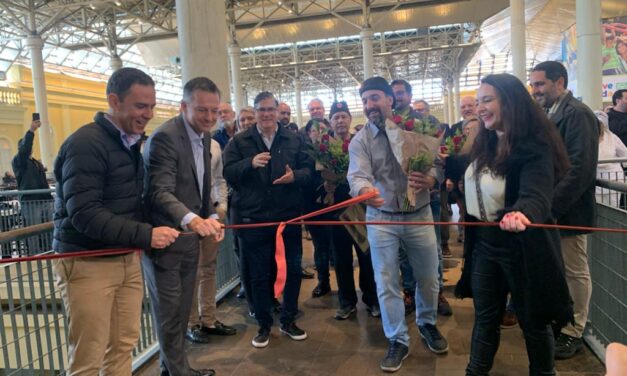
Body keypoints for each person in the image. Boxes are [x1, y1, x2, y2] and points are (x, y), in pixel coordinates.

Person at [52, 67, 180, 375]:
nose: (148, 113)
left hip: (125, 257)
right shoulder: (86, 144)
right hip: (86, 262)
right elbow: (84, 214)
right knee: (88, 357)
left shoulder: (130, 142)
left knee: (123, 346)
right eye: (140, 105)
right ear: (114, 101)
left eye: (151, 106)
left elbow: (129, 202)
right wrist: (146, 235)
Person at [456, 73, 573, 376]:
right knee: (485, 318)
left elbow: (537, 190)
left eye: (487, 100)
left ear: (509, 102)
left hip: (521, 248)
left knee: (534, 322)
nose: (480, 108)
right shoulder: (485, 141)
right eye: (478, 101)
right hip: (483, 246)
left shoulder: (535, 143)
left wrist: (523, 212)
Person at [348, 77, 448, 372]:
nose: (370, 106)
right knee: (386, 280)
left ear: (390, 99)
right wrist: (364, 191)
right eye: (365, 101)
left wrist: (431, 179)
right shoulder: (360, 140)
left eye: (375, 98)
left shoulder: (416, 128)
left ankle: (427, 323)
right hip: (381, 218)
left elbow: (437, 163)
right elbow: (357, 175)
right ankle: (397, 339)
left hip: (419, 213)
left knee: (429, 276)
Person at [142, 77, 225, 376]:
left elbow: (203, 185)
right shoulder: (165, 137)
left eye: (214, 111)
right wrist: (192, 219)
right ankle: (177, 372)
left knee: (180, 312)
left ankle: (176, 369)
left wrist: (212, 217)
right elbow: (159, 192)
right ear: (183, 106)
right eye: (202, 110)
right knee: (169, 316)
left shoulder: (205, 137)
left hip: (191, 240)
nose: (210, 117)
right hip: (165, 242)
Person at [223, 91, 313, 349]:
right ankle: (263, 323)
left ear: (277, 111)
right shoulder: (240, 142)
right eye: (261, 110)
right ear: (254, 112)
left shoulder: (294, 139)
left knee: (293, 271)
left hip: (288, 218)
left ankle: (288, 319)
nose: (266, 114)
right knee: (259, 275)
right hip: (254, 220)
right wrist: (249, 163)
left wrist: (294, 176)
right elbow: (227, 173)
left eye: (270, 109)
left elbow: (309, 171)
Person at [530, 61, 599, 360]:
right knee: (561, 270)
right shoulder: (550, 113)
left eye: (540, 84)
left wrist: (551, 207)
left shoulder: (577, 114)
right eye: (533, 85)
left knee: (575, 270)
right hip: (551, 209)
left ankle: (575, 331)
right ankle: (564, 320)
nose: (535, 90)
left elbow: (580, 170)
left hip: (566, 209)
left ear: (560, 83)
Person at [391, 78, 452, 317]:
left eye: (400, 93)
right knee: (403, 248)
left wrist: (432, 179)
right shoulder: (387, 123)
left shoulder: (427, 122)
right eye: (393, 94)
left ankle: (436, 292)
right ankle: (409, 291)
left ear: (409, 94)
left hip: (425, 194)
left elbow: (439, 158)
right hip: (399, 197)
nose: (397, 97)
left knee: (432, 245)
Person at [325, 101, 379, 320]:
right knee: (341, 258)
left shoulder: (360, 143)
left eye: (343, 116)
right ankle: (346, 302)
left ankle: (371, 299)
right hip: (336, 210)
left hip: (360, 208)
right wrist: (325, 185)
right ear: (330, 121)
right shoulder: (324, 148)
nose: (340, 121)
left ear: (350, 119)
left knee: (366, 254)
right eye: (336, 117)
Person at [186, 136, 237, 343]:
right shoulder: (176, 141)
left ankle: (209, 319)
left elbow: (218, 179)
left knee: (208, 267)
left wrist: (221, 208)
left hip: (211, 212)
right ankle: (191, 324)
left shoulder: (214, 145)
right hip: (187, 217)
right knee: (191, 272)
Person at [12, 118, 53, 253]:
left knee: (48, 228)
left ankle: (49, 251)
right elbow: (24, 149)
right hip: (31, 202)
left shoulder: (35, 162)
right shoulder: (19, 161)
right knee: (33, 230)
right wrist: (31, 131)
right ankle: (35, 255)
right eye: (26, 146)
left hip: (44, 199)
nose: (30, 148)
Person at [594, 110, 627, 207]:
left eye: (601, 123)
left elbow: (625, 154)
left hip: (614, 179)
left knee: (614, 208)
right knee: (598, 210)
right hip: (595, 181)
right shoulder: (586, 138)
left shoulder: (613, 137)